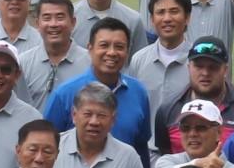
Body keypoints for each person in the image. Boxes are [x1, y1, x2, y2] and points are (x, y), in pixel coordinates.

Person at [43, 20, 154, 154]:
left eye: (119, 46)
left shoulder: (138, 92)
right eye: (104, 45)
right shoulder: (65, 94)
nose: (111, 53)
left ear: (127, 51)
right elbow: (47, 144)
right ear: (90, 49)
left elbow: (141, 147)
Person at [60, 83, 147, 168]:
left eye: (102, 115)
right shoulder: (54, 147)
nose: (94, 122)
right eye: (87, 114)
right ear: (74, 115)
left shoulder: (127, 156)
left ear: (113, 119)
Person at [128, 0, 198, 121]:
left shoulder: (198, 62)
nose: (167, 18)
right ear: (152, 19)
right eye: (160, 12)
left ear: (187, 17)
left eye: (174, 11)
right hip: (147, 142)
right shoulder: (138, 60)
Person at [20, 0, 87, 106]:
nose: (53, 24)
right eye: (47, 18)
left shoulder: (89, 62)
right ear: (37, 23)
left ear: (73, 22)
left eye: (60, 17)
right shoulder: (23, 62)